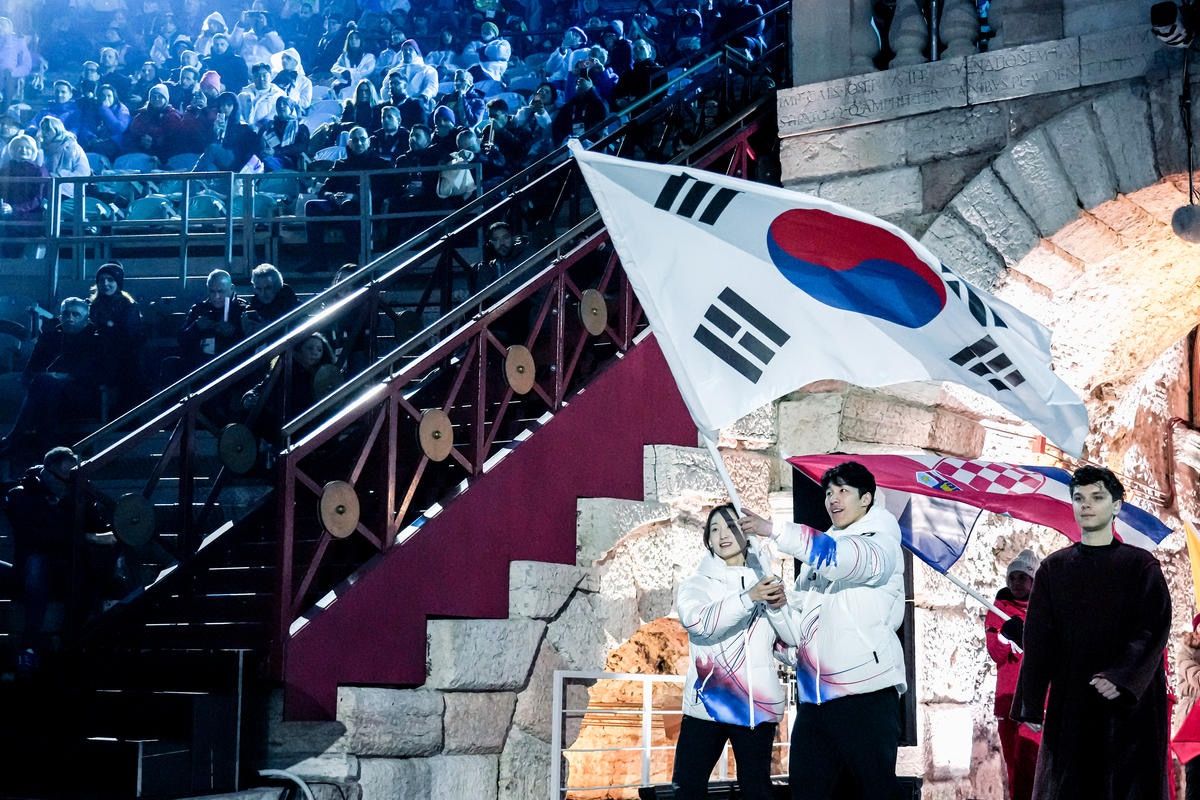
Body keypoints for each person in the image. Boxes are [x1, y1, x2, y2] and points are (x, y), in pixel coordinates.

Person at [739, 460, 906, 800]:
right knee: (807, 792)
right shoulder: (817, 558)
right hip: (815, 702)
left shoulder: (881, 542)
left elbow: (841, 559)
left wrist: (774, 529)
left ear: (866, 499)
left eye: (843, 491)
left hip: (866, 696)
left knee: (873, 793)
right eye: (829, 492)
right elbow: (800, 631)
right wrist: (779, 607)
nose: (833, 499)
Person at [1011, 465, 1171, 799]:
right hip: (1074, 700)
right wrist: (1031, 700)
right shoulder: (1054, 569)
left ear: (1116, 506)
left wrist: (1122, 677)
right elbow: (1039, 640)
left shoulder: (1141, 566)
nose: (1086, 505)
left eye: (1097, 497)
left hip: (1129, 706)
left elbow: (1153, 628)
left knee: (1128, 787)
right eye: (1079, 498)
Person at [673, 503, 790, 800]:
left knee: (757, 791)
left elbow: (787, 642)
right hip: (707, 706)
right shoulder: (696, 585)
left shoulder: (766, 581)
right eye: (715, 529)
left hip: (756, 708)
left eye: (731, 526)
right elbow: (700, 623)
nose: (723, 534)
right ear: (708, 540)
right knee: (688, 789)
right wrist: (749, 598)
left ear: (746, 532)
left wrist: (778, 608)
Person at [2, 298, 102, 455]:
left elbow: (97, 373)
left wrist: (65, 377)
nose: (70, 318)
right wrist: (40, 380)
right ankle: (43, 446)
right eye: (66, 314)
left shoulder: (96, 338)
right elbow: (30, 370)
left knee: (46, 383)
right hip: (48, 392)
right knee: (45, 385)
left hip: (82, 394)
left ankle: (16, 438)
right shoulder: (51, 336)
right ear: (60, 316)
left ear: (86, 319)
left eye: (76, 314)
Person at [985, 549, 1042, 800]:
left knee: (1032, 763)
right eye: (1013, 577)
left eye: (1023, 577)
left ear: (1033, 580)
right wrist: (1005, 637)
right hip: (1008, 699)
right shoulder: (999, 610)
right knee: (1014, 765)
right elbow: (995, 653)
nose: (1017, 583)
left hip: (1037, 700)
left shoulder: (1045, 609)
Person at [89, 262, 144, 409]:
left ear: (118, 282)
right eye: (101, 280)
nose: (105, 283)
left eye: (110, 280)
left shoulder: (128, 305)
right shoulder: (94, 305)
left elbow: (131, 337)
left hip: (123, 359)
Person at [179, 269, 248, 369]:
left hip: (232, 367)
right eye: (212, 291)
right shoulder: (199, 310)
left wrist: (235, 333)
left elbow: (251, 344)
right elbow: (181, 341)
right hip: (201, 367)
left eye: (221, 291)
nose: (216, 296)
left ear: (232, 288)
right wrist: (196, 327)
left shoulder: (242, 310)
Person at [243, 263, 299, 337]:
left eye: (268, 288)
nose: (263, 293)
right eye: (258, 289)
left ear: (277, 286)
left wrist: (266, 328)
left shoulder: (294, 307)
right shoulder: (253, 307)